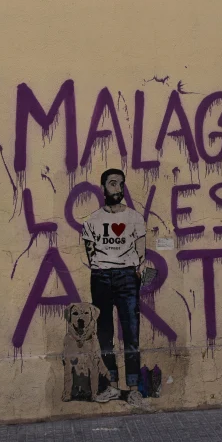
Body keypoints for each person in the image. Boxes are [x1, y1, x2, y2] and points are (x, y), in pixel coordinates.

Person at [82, 169, 146, 406]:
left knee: (131, 332)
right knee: (105, 334)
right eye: (112, 184)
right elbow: (90, 253)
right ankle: (112, 385)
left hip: (127, 277)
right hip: (100, 277)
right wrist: (103, 268)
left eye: (120, 184)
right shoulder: (92, 221)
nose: (117, 188)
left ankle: (133, 388)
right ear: (102, 188)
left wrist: (132, 272)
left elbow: (141, 251)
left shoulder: (135, 218)